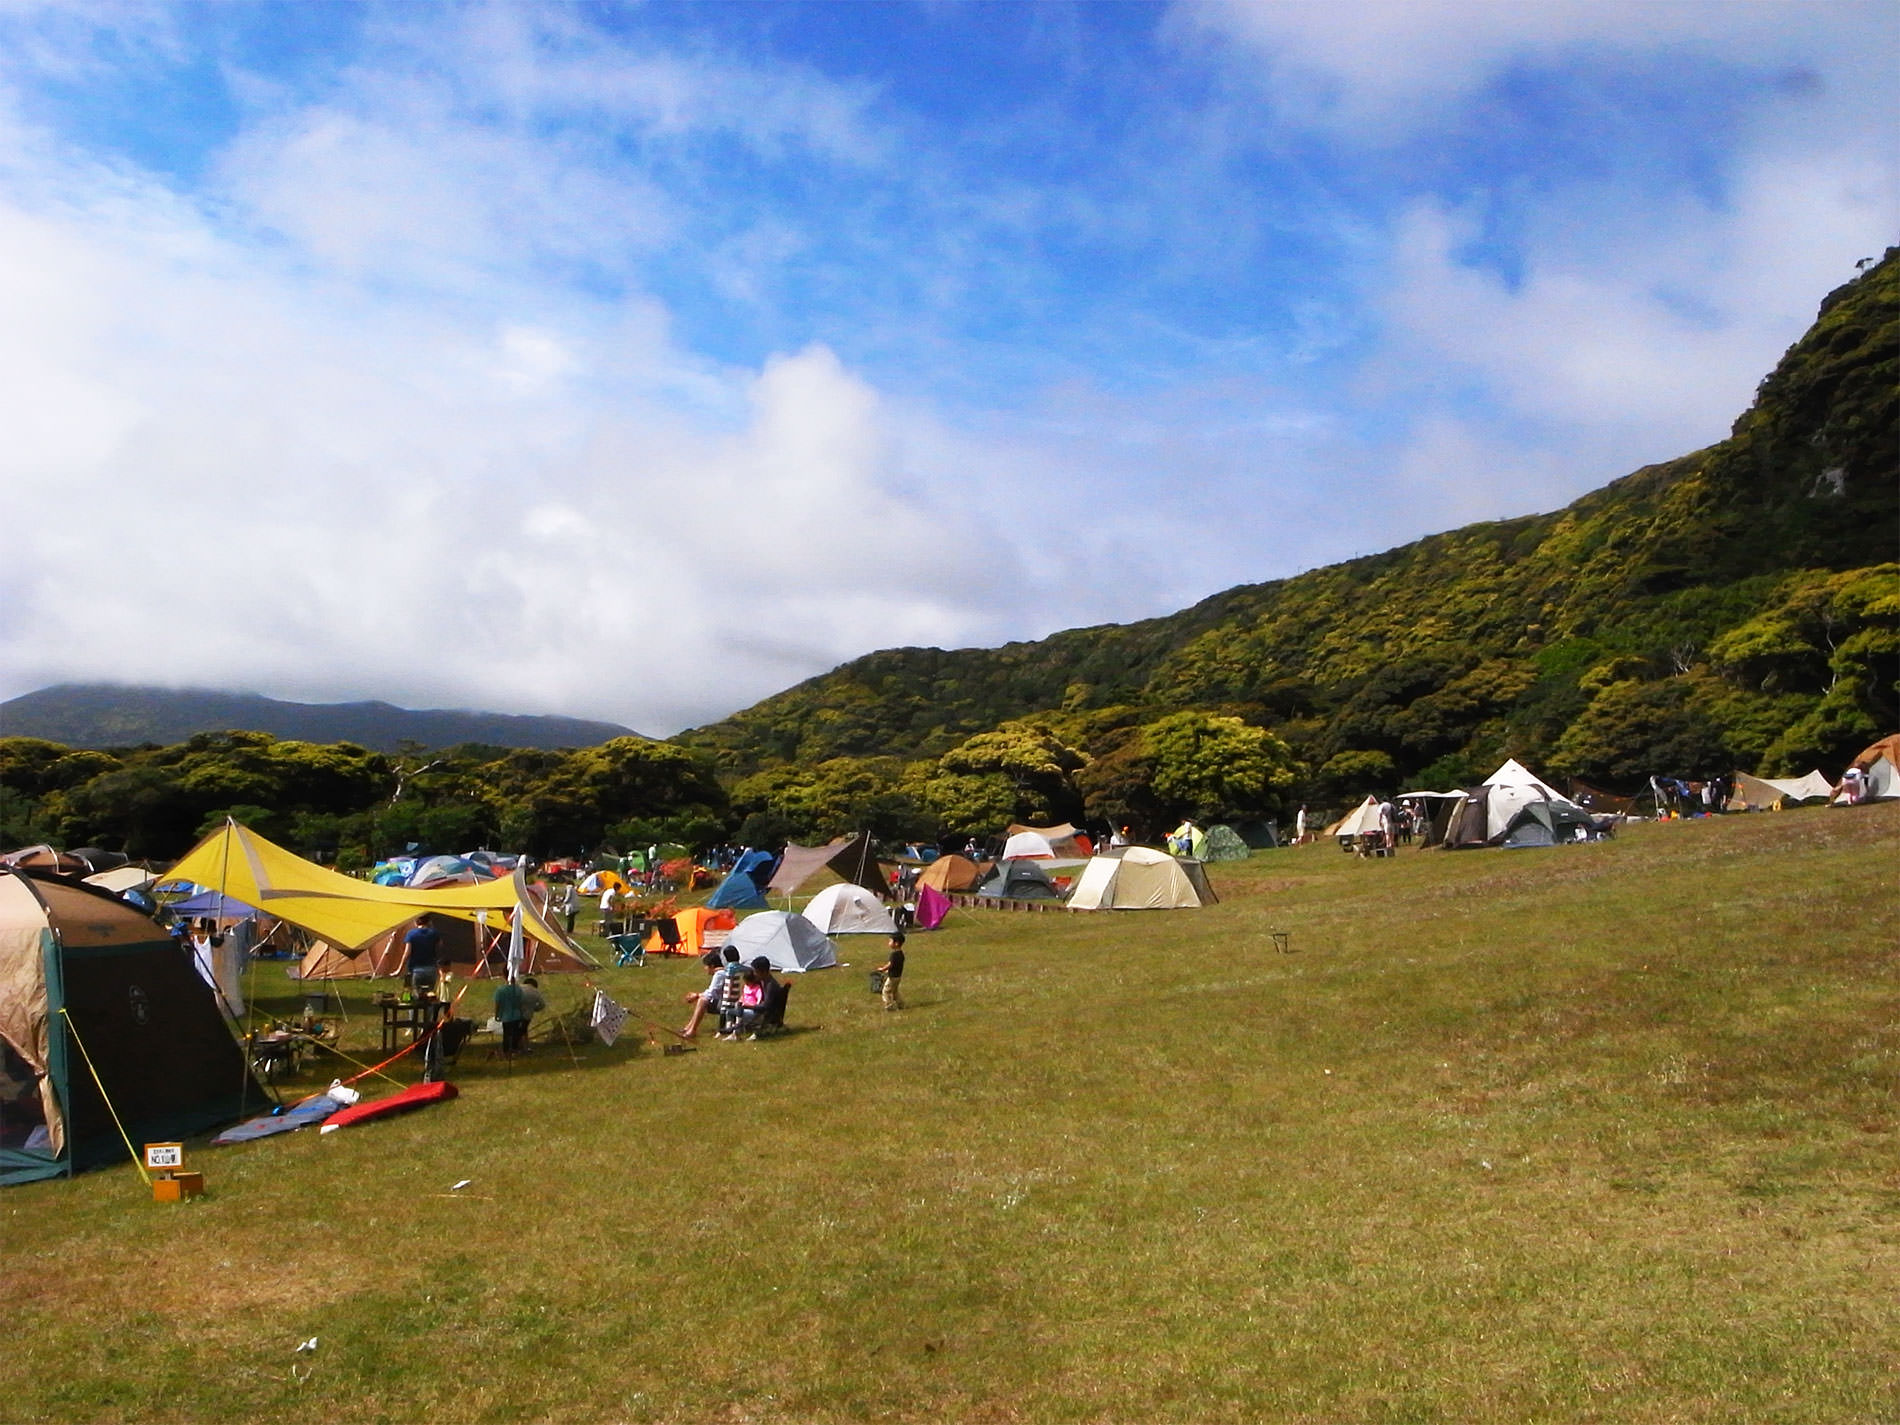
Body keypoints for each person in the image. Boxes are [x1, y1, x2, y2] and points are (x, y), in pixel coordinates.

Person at [403, 914, 444, 997]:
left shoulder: (411, 934)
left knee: (414, 996)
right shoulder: (434, 933)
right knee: (430, 996)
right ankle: (430, 1009)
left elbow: (407, 953)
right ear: (429, 921)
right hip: (431, 969)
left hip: (416, 970)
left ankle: (413, 1010)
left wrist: (399, 968)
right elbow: (440, 945)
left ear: (416, 922)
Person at [875, 932, 906, 1012]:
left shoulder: (894, 955)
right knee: (895, 992)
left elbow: (890, 964)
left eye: (890, 941)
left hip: (892, 978)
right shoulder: (901, 954)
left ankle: (889, 1006)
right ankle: (901, 1004)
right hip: (898, 977)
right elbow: (895, 965)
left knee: (886, 991)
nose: (888, 943)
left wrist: (883, 969)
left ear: (896, 943)